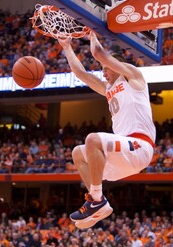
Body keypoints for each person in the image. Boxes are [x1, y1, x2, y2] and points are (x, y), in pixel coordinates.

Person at [58, 31, 156, 229]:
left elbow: (100, 54)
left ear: (117, 66)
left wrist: (94, 35)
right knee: (78, 153)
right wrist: (67, 47)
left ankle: (96, 199)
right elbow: (81, 74)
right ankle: (98, 200)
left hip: (140, 146)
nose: (103, 72)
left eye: (106, 69)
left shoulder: (133, 78)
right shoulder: (108, 89)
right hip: (124, 156)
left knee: (93, 139)